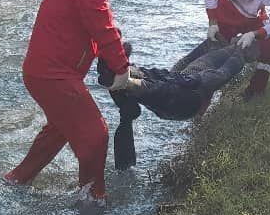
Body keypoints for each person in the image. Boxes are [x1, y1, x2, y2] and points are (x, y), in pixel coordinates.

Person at [3, 0, 136, 206]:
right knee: (95, 135)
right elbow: (104, 31)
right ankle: (92, 200)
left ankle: (16, 179)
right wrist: (122, 70)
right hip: (53, 76)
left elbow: (97, 28)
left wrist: (114, 53)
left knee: (60, 129)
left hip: (44, 72)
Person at [98, 40, 259, 170]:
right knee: (157, 77)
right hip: (177, 86)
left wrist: (240, 51)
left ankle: (127, 81)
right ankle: (125, 73)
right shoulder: (202, 65)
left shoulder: (207, 79)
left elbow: (225, 71)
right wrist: (236, 45)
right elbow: (188, 60)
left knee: (167, 90)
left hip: (186, 103)